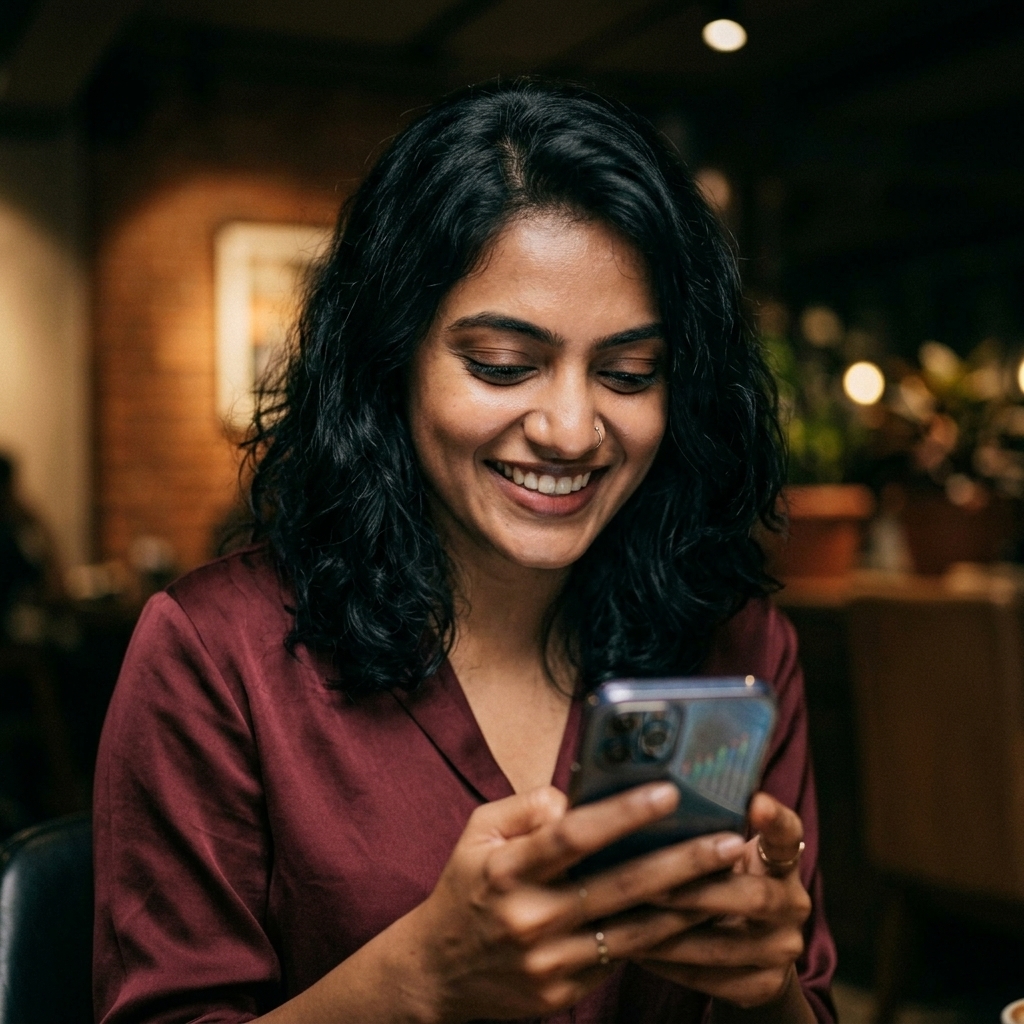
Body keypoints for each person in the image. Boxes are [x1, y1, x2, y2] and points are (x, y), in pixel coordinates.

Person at [93, 81, 837, 1023]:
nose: (572, 429)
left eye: (627, 374)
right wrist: (421, 980)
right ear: (390, 360)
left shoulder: (740, 648)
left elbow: (803, 999)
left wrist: (768, 987)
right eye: (501, 365)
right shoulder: (215, 654)